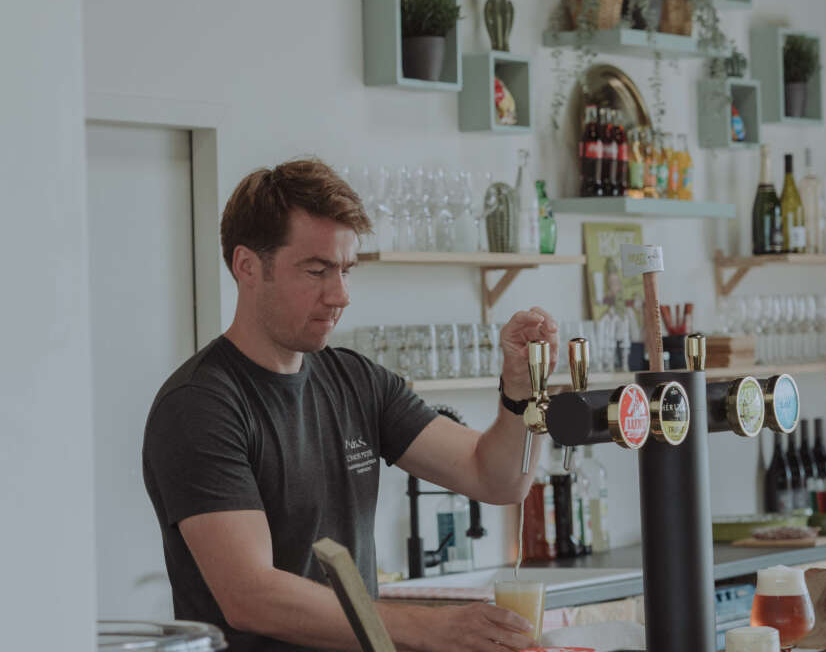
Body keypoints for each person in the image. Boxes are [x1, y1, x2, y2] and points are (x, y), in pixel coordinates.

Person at [142, 159, 559, 652]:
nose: (340, 294)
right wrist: (432, 627)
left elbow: (498, 478)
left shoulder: (356, 381)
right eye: (317, 270)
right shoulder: (201, 406)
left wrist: (519, 390)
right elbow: (251, 596)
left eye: (345, 270)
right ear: (247, 266)